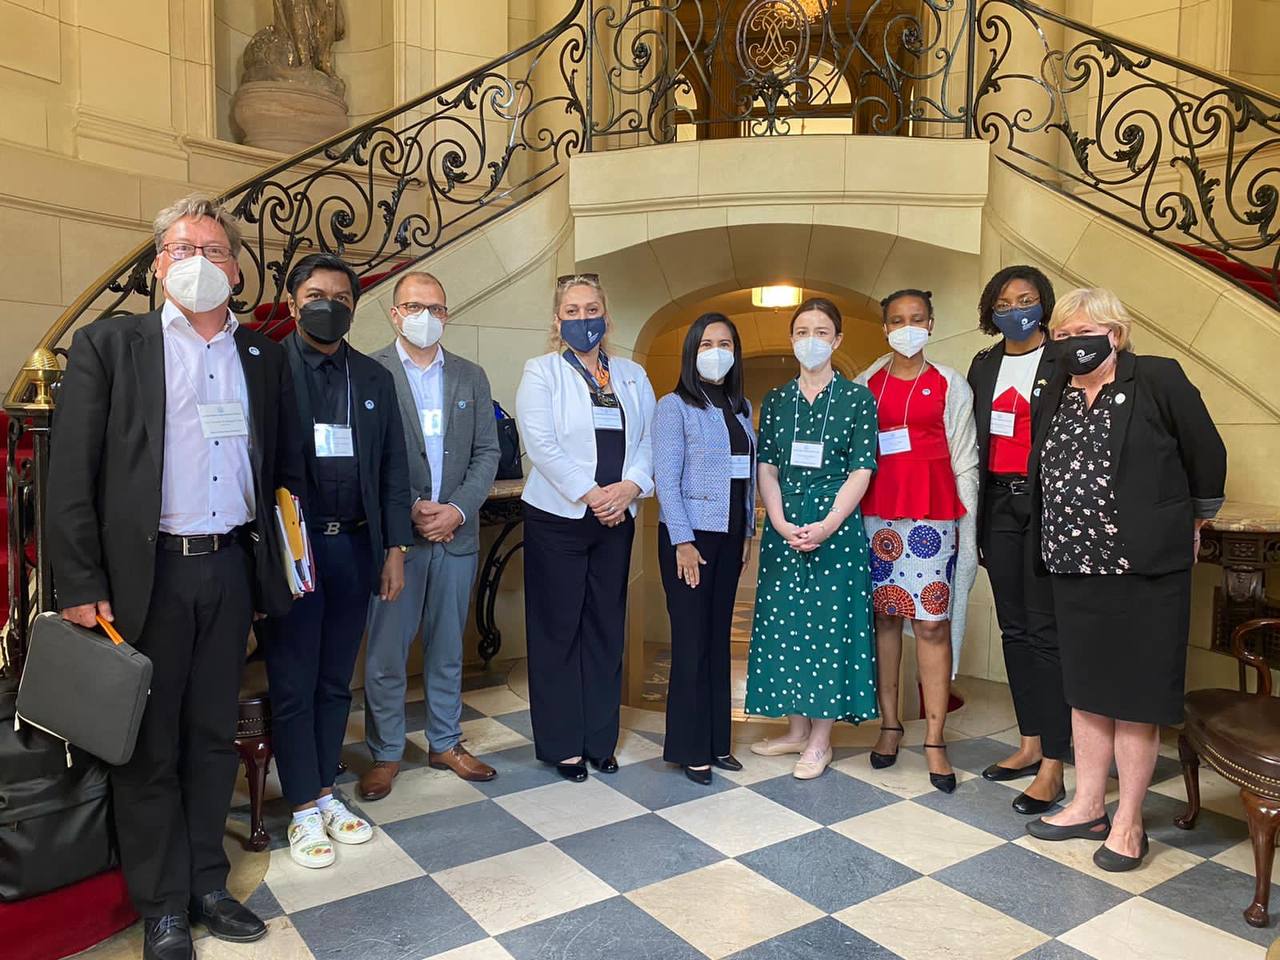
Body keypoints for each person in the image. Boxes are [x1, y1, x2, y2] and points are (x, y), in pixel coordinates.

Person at [46, 195, 304, 960]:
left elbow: (279, 468)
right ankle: (161, 906)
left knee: (211, 736)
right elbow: (71, 474)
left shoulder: (261, 356)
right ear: (159, 265)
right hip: (145, 577)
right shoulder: (111, 346)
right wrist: (79, 583)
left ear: (236, 270)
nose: (200, 263)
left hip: (229, 570)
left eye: (215, 250)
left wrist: (278, 570)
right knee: (149, 746)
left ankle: (207, 885)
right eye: (183, 249)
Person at [1025, 287, 1226, 871]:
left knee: (1136, 698)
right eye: (1062, 335)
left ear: (1115, 333)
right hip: (1072, 563)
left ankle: (1129, 822)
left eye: (1084, 332)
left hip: (1144, 567)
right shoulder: (1054, 388)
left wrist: (1194, 520)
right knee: (1086, 691)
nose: (1072, 344)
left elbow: (1206, 453)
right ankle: (1088, 804)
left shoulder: (1157, 378)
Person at [257, 253, 413, 868]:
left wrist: (394, 548)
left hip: (354, 546)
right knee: (294, 682)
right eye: (317, 296)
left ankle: (325, 791)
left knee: (333, 681)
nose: (330, 306)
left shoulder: (372, 378)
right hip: (293, 550)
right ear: (293, 303)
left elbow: (393, 469)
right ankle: (300, 808)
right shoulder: (267, 368)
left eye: (342, 298)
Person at [358, 271, 501, 801]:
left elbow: (487, 452)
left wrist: (457, 510)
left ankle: (445, 742)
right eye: (415, 307)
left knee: (446, 648)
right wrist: (409, 508)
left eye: (436, 308)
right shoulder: (369, 372)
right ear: (395, 313)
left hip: (456, 537)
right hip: (398, 540)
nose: (426, 317)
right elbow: (366, 457)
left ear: (447, 315)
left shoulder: (470, 375)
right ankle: (386, 753)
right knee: (386, 654)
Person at [515, 273, 656, 782]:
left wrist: (629, 488)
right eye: (572, 311)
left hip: (617, 518)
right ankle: (563, 745)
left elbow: (650, 440)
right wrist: (594, 494)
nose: (583, 319)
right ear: (557, 321)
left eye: (591, 309)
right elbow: (541, 443)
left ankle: (599, 740)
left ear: (606, 316)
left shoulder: (633, 375)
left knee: (605, 627)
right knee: (558, 630)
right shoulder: (542, 372)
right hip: (559, 518)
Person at [746, 298, 879, 781]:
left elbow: (862, 468)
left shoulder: (857, 399)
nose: (811, 340)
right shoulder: (778, 400)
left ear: (837, 340)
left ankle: (821, 739)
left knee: (828, 628)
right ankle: (796, 730)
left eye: (821, 332)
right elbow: (767, 467)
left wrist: (828, 524)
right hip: (785, 524)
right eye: (802, 331)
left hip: (836, 528)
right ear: (792, 339)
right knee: (785, 626)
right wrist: (779, 521)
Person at [857, 289, 978, 795]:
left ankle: (934, 737)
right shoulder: (867, 383)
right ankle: (890, 725)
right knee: (885, 619)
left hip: (934, 518)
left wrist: (970, 531)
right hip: (877, 517)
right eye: (897, 319)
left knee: (931, 624)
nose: (907, 327)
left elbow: (966, 459)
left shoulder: (950, 383)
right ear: (885, 327)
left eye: (916, 318)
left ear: (931, 323)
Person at [967, 265, 1071, 815]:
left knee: (1045, 632)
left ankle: (1055, 763)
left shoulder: (1063, 358)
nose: (1016, 310)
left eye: (1026, 300)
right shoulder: (984, 365)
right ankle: (1029, 743)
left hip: (1047, 506)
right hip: (998, 505)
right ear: (991, 311)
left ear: (1043, 304)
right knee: (1014, 628)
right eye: (1004, 303)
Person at [653, 313, 756, 785]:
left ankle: (717, 742)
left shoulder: (741, 407)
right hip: (690, 538)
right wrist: (682, 541)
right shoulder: (673, 406)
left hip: (731, 535)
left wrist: (748, 533)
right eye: (706, 344)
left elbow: (746, 477)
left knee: (717, 640)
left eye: (725, 344)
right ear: (691, 352)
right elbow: (666, 479)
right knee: (692, 641)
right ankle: (690, 747)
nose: (717, 352)